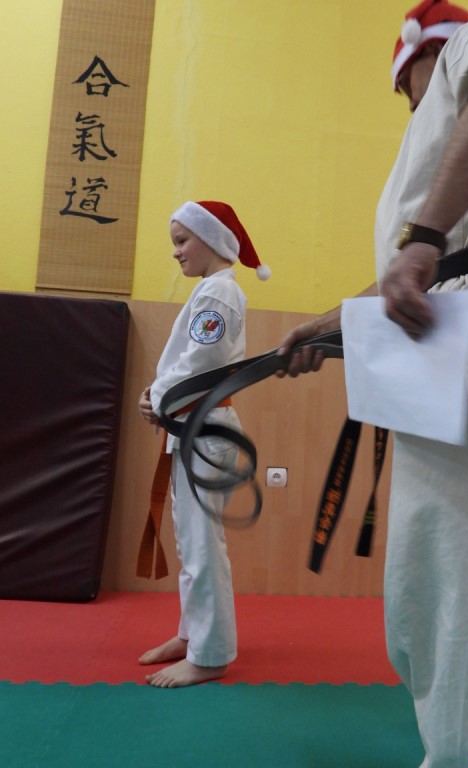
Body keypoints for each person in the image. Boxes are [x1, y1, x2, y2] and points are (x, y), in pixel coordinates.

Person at [278, 1, 468, 764]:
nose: (407, 103)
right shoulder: (443, 164)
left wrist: (423, 240)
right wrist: (334, 323)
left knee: (455, 579)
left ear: (418, 56)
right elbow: (419, 267)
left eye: (403, 86)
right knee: (467, 562)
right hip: (456, 323)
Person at [138, 200, 270, 688]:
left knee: (202, 547)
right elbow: (190, 361)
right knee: (190, 542)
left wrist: (157, 397)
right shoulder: (212, 290)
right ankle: (193, 634)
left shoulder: (220, 292)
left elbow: (202, 361)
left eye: (182, 240)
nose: (176, 252)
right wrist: (157, 396)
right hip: (194, 429)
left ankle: (210, 654)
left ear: (212, 240)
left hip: (205, 431)